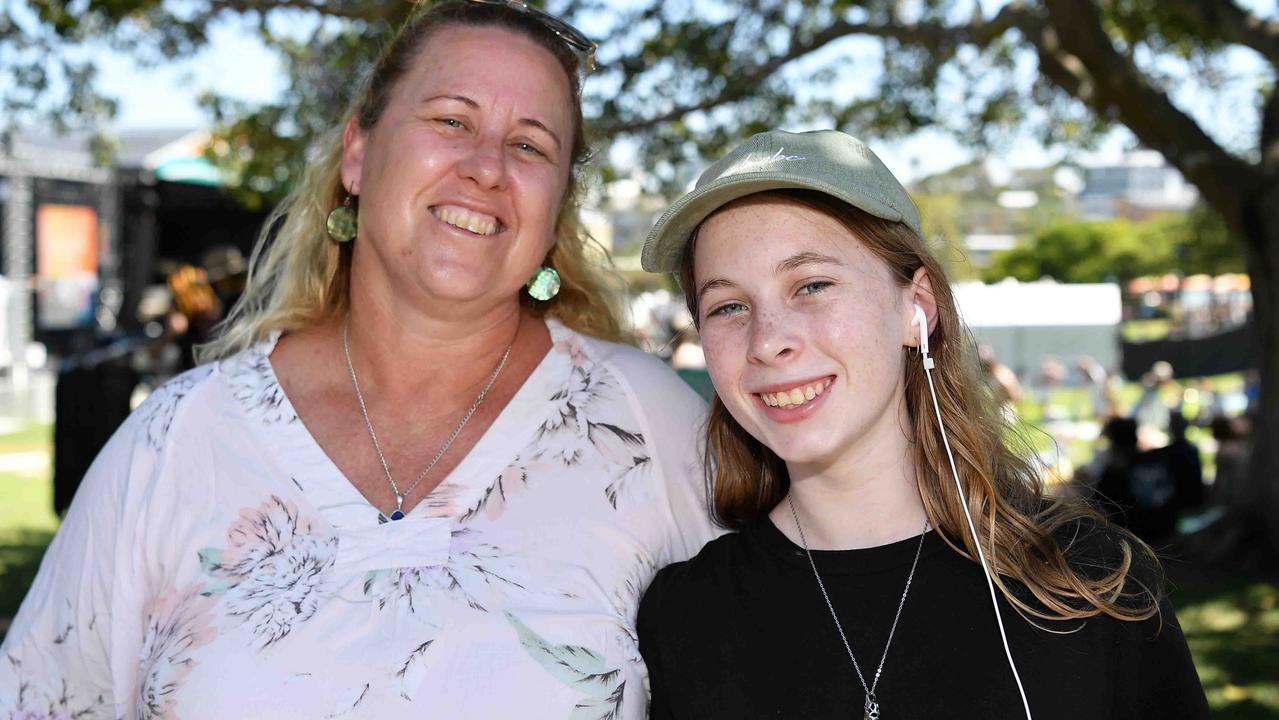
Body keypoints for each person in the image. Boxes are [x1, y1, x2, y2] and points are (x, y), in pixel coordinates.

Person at [0, 3, 716, 717]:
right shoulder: (177, 443)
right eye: (450, 121)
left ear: (557, 203)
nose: (487, 168)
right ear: (357, 154)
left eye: (530, 146)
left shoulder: (648, 429)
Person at [636, 129, 1208, 719]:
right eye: (728, 306)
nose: (768, 341)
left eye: (811, 285)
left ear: (918, 309)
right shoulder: (684, 618)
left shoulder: (1090, 585)